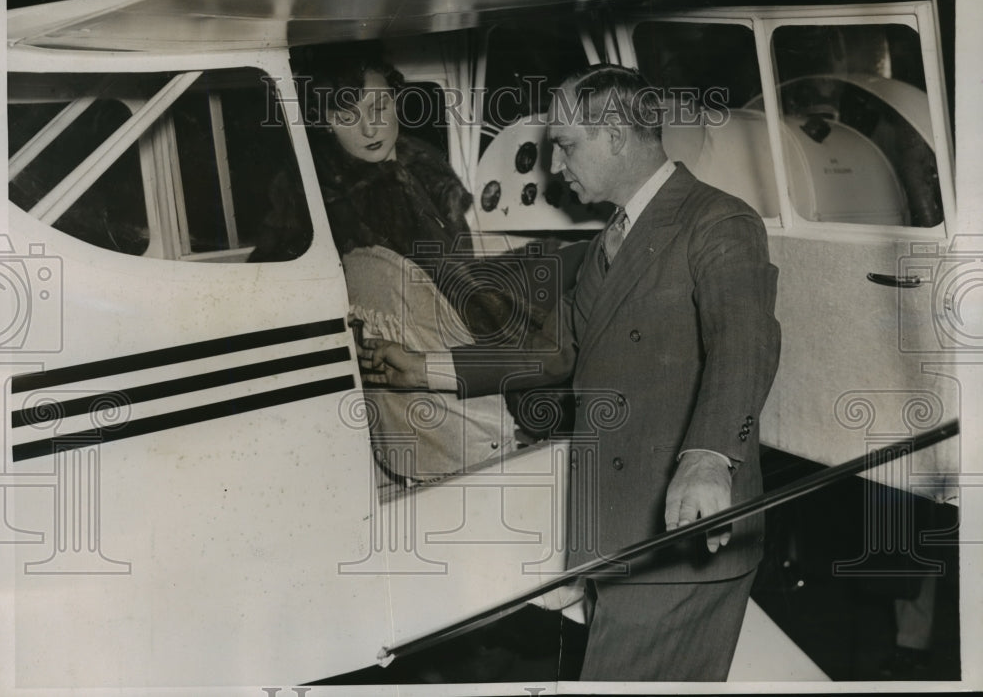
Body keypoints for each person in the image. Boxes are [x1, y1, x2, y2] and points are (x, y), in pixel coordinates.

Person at [360, 65, 781, 681]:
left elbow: (744, 344)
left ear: (614, 133)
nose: (555, 167)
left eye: (565, 144)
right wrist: (423, 368)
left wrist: (708, 458)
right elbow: (556, 352)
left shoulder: (717, 222)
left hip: (684, 533)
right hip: (618, 532)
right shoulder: (614, 236)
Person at [252, 44, 546, 484]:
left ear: (395, 99)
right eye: (346, 114)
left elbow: (456, 269)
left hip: (429, 364)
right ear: (324, 122)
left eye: (380, 105)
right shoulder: (319, 198)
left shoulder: (421, 164)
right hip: (435, 368)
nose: (370, 126)